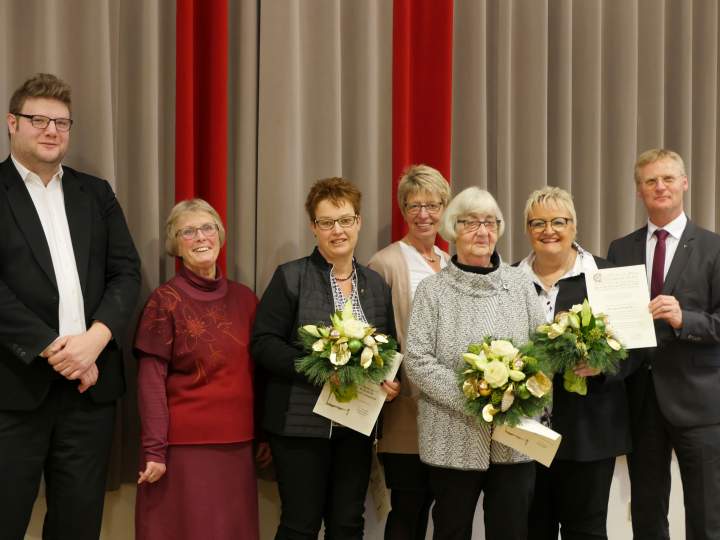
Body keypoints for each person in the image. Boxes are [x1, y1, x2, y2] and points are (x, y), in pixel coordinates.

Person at [0, 73, 140, 539]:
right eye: (38, 120)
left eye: (61, 122)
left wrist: (94, 342)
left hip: (90, 391)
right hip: (14, 388)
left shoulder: (95, 193)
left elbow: (126, 273)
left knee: (78, 526)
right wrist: (56, 349)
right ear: (12, 124)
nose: (51, 131)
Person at [251, 177, 399, 539]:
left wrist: (391, 383)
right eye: (327, 222)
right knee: (300, 524)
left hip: (356, 427)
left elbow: (389, 348)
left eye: (346, 220)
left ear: (359, 222)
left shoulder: (376, 285)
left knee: (348, 524)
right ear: (313, 227)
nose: (338, 231)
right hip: (299, 426)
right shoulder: (291, 277)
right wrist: (319, 372)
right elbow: (263, 344)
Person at [405, 187, 545, 540]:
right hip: (452, 434)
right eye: (471, 223)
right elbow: (418, 360)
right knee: (451, 531)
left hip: (515, 437)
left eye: (490, 223)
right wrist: (478, 396)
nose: (482, 232)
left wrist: (517, 396)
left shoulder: (520, 284)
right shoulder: (432, 291)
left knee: (512, 531)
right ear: (453, 228)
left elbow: (542, 351)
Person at [133, 199, 267, 539]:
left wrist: (264, 434)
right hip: (182, 451)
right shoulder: (164, 301)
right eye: (188, 232)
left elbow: (260, 374)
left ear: (221, 236)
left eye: (207, 228)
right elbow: (151, 382)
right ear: (176, 245)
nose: (200, 237)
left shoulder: (245, 299)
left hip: (238, 446)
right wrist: (154, 450)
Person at [607, 148, 720, 540]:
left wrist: (683, 318)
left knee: (708, 516)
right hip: (639, 399)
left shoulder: (714, 247)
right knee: (646, 513)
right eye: (650, 181)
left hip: (700, 402)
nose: (660, 187)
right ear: (638, 191)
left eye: (668, 178)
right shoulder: (620, 249)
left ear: (685, 183)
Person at [516, 186, 630, 540]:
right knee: (534, 529)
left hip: (589, 429)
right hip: (526, 430)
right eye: (538, 223)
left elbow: (637, 349)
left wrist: (602, 367)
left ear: (574, 226)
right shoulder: (509, 281)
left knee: (586, 530)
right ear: (527, 230)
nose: (548, 230)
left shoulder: (607, 276)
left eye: (558, 221)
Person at [368, 164, 450, 540]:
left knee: (438, 505)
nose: (424, 214)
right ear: (403, 210)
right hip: (405, 409)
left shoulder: (451, 263)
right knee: (408, 506)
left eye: (432, 205)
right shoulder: (385, 263)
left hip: (448, 408)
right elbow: (375, 333)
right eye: (415, 205)